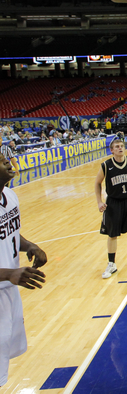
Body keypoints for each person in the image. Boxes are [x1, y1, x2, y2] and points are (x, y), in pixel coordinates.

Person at [0, 153, 47, 387]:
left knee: (5, 358)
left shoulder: (9, 195)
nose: (8, 162)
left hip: (9, 289)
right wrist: (9, 273)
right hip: (5, 282)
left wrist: (30, 246)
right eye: (0, 160)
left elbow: (11, 233)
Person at [94, 138, 127, 279]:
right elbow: (97, 183)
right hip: (113, 202)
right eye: (117, 146)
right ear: (111, 150)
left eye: (122, 146)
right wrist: (99, 201)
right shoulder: (106, 165)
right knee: (112, 234)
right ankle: (111, 263)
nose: (120, 148)